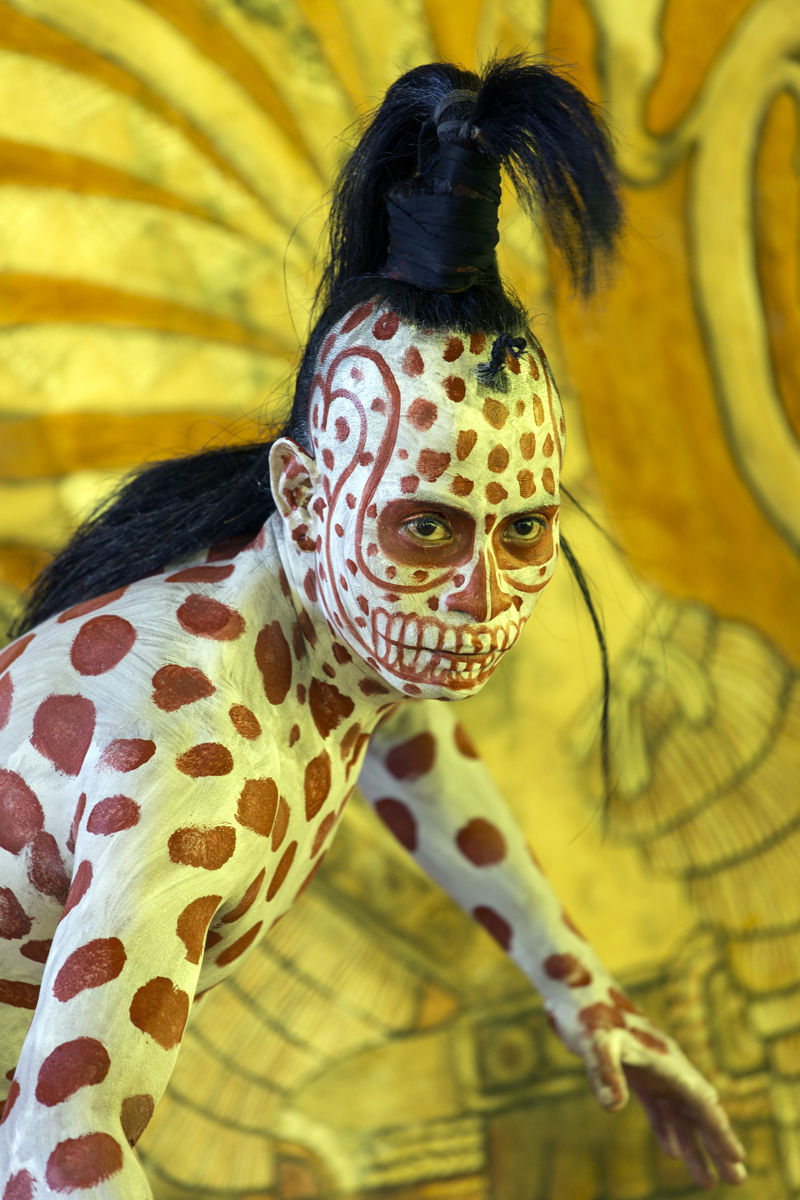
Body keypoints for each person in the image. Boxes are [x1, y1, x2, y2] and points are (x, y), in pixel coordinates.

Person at [0, 56, 746, 1195]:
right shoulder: (189, 757)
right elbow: (61, 1149)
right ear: (302, 496)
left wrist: (581, 991)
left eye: (524, 531)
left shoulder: (323, 631)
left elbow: (406, 741)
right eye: (428, 529)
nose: (482, 596)